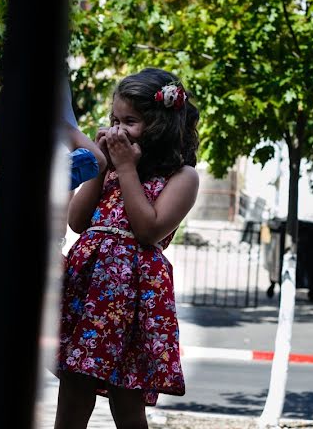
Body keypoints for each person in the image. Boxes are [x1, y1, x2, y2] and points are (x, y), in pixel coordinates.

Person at [53, 68, 200, 429]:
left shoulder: (183, 177)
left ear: (160, 124)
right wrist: (101, 167)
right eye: (114, 120)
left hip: (133, 297)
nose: (117, 130)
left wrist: (126, 168)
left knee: (126, 394)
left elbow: (148, 229)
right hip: (89, 290)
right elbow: (77, 220)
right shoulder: (113, 168)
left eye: (130, 121)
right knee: (74, 386)